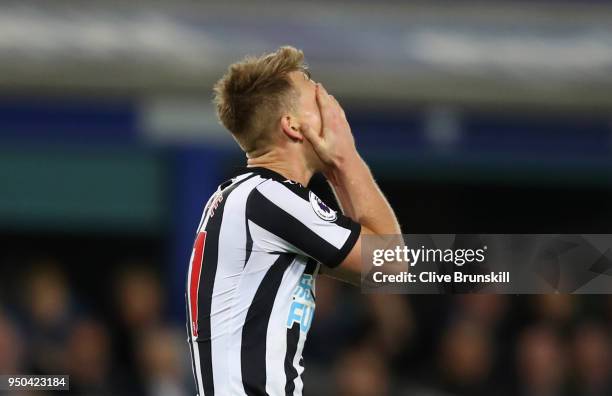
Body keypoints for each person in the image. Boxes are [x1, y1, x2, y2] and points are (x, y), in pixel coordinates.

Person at [185, 46, 401, 395]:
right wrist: (345, 157)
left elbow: (371, 268)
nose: (331, 109)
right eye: (317, 100)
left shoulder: (248, 199)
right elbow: (391, 263)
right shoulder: (270, 199)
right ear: (293, 126)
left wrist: (336, 171)